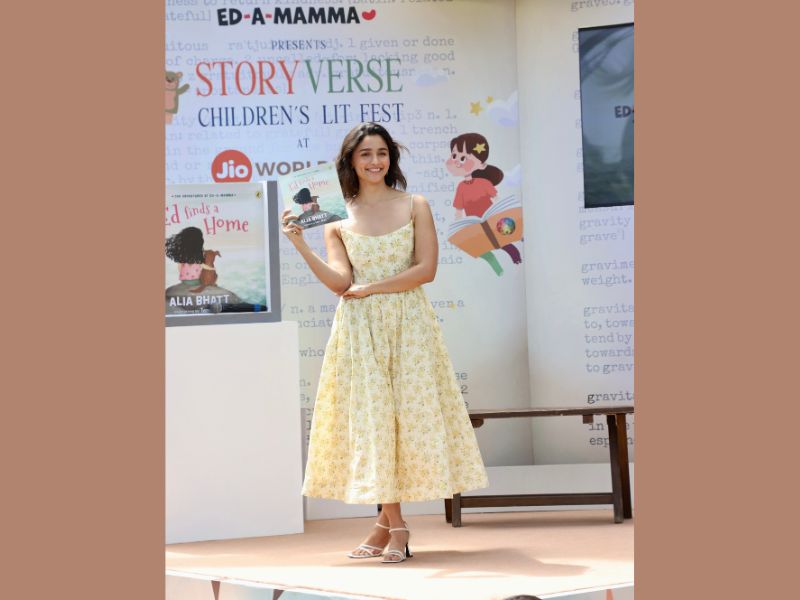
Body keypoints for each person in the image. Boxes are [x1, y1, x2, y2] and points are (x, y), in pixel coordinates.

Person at [282, 122, 488, 564]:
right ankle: (396, 526)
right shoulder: (336, 217)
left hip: (410, 327)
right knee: (375, 423)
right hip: (360, 332)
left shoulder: (415, 205)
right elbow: (340, 282)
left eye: (381, 153)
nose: (375, 161)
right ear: (351, 162)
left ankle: (384, 526)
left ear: (391, 157)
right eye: (365, 154)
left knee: (404, 422)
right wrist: (300, 244)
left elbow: (426, 270)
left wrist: (372, 289)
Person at [446, 132, 522, 275]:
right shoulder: (461, 187)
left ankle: (513, 252)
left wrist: (502, 213)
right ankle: (496, 265)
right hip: (475, 224)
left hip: (492, 220)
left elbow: (497, 199)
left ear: (481, 165)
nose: (456, 161)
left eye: (463, 158)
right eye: (454, 156)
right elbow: (459, 210)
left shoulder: (484, 183)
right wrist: (459, 225)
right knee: (479, 247)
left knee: (501, 240)